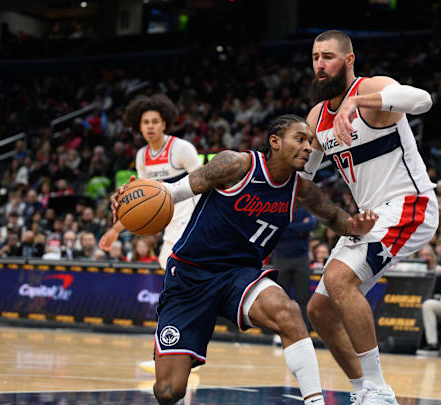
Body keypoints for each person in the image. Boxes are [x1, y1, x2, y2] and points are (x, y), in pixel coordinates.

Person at [112, 114, 378, 405]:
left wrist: (354, 227)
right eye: (300, 140)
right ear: (275, 142)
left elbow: (334, 216)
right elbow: (173, 191)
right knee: (168, 391)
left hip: (238, 276)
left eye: (310, 142)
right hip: (190, 275)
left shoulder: (300, 189)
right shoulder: (236, 165)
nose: (307, 148)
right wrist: (130, 199)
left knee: (287, 312)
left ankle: (314, 402)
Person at [301, 30, 437, 404]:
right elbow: (303, 180)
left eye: (327, 57)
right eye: (314, 57)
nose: (319, 64)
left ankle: (379, 389)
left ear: (348, 60)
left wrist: (357, 101)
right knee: (320, 308)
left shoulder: (372, 88)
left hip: (411, 203)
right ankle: (363, 390)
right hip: (371, 215)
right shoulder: (316, 116)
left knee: (339, 277)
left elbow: (423, 100)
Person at [100, 94, 201, 269]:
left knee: (172, 264)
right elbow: (142, 202)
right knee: (167, 263)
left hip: (193, 218)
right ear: (139, 126)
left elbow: (206, 183)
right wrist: (114, 230)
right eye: (146, 122)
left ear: (164, 124)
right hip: (170, 220)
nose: (150, 126)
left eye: (155, 121)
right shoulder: (141, 156)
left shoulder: (181, 148)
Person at [272, 206, 317, 328]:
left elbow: (313, 224)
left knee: (303, 297)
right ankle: (281, 328)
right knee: (281, 298)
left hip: (301, 259)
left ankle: (304, 330)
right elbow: (277, 230)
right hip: (281, 259)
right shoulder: (279, 208)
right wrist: (300, 228)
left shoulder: (305, 209)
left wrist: (287, 228)